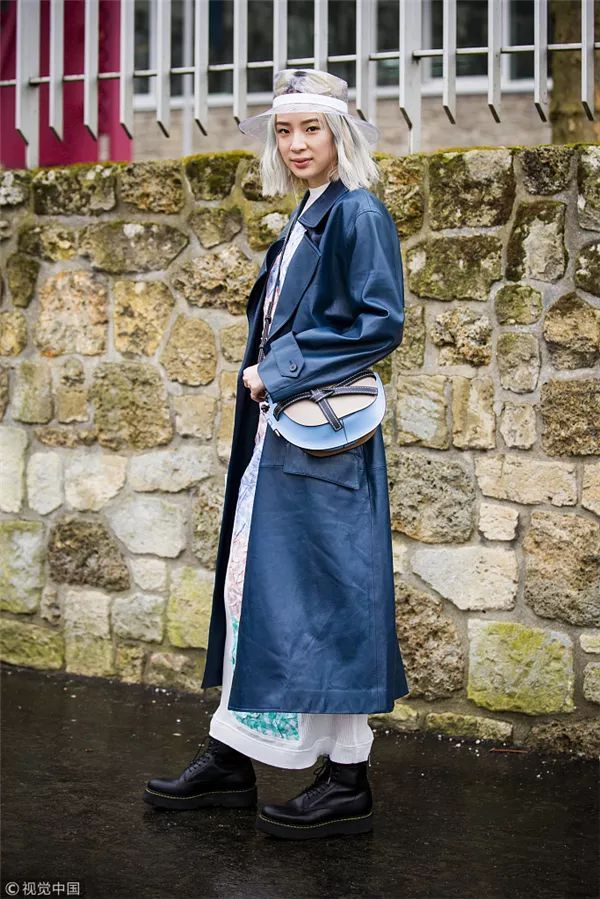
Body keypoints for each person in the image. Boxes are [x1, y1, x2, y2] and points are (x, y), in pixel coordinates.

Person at [144, 68, 410, 840]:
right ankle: (233, 754)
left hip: (321, 445)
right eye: (285, 130)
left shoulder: (357, 212)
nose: (296, 144)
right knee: (253, 592)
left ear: (339, 133)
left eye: (311, 128)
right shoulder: (309, 213)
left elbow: (380, 322)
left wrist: (280, 369)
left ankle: (348, 780)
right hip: (283, 436)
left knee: (326, 602)